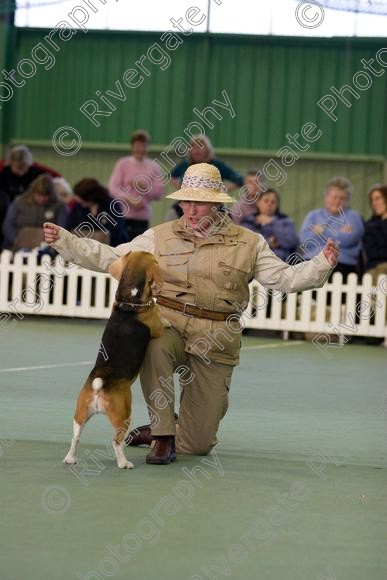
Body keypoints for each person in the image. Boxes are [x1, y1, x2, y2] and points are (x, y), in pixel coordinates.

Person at [44, 163, 338, 465]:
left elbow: (284, 279)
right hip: (169, 323)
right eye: (186, 201)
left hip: (217, 337)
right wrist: (66, 242)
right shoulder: (159, 236)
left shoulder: (250, 243)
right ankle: (162, 434)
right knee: (152, 342)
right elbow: (114, 257)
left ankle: (174, 428)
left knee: (197, 445)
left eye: (199, 202)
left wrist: (321, 264)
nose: (191, 209)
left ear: (216, 204)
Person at [165, 134, 244, 221]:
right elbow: (170, 176)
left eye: (199, 147)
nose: (196, 150)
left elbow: (239, 179)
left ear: (207, 149)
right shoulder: (185, 165)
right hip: (188, 200)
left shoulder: (217, 165)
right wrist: (180, 186)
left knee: (228, 222)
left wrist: (222, 189)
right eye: (193, 147)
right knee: (171, 216)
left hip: (212, 202)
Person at [299, 177, 364, 282]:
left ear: (348, 200)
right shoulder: (313, 215)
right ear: (326, 197)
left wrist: (322, 231)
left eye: (342, 198)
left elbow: (350, 240)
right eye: (334, 197)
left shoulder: (354, 217)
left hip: (342, 264)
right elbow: (304, 241)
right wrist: (338, 233)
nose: (338, 201)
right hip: (311, 261)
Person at [108, 130, 164, 241]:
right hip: (122, 215)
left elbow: (159, 193)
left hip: (142, 217)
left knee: (138, 250)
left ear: (148, 147)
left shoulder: (154, 167)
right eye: (138, 146)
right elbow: (112, 188)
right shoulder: (123, 164)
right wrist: (129, 199)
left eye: (144, 146)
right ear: (132, 147)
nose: (141, 149)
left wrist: (145, 187)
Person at [3, 174, 67, 250]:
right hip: (18, 245)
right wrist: (16, 241)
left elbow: (61, 229)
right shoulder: (19, 202)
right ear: (33, 191)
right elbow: (8, 225)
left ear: (51, 194)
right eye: (39, 195)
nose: (42, 199)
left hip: (47, 247)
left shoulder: (59, 206)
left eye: (46, 196)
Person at [66, 178, 128, 247]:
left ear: (91, 196)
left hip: (112, 246)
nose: (78, 200)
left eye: (81, 198)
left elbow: (117, 230)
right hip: (85, 247)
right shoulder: (78, 206)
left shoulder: (111, 205)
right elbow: (70, 227)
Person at [241, 188, 298, 261]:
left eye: (273, 202)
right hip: (254, 261)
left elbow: (291, 242)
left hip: (280, 261)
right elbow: (247, 243)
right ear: (258, 202)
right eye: (266, 201)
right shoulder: (249, 221)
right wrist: (271, 242)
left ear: (277, 205)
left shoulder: (286, 221)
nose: (269, 204)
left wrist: (272, 222)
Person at [363, 184, 387, 283]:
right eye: (372, 200)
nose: (374, 203)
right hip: (375, 268)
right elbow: (373, 253)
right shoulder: (370, 225)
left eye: (378, 199)